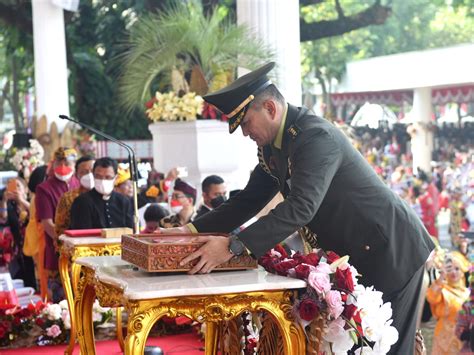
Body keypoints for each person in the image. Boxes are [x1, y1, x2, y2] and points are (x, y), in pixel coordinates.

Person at [161, 62, 435, 354]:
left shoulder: (314, 137)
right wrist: (190, 229)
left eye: (245, 123)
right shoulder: (274, 145)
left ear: (270, 108)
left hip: (392, 251)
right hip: (357, 253)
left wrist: (233, 246)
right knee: (356, 347)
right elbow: (249, 200)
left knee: (387, 348)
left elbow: (301, 207)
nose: (244, 133)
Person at [35, 147, 79, 302]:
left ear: (74, 165)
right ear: (53, 164)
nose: (62, 164)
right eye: (59, 161)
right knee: (63, 303)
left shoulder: (78, 184)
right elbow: (47, 224)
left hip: (82, 252)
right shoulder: (44, 189)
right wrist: (67, 243)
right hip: (58, 252)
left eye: (67, 161)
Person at [70, 157, 133, 230]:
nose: (103, 180)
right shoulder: (82, 201)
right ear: (93, 176)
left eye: (108, 177)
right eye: (98, 176)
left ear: (115, 178)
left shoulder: (123, 201)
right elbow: (80, 233)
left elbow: (129, 231)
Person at [426, 252, 470, 354]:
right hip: (444, 341)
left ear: (463, 271)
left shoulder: (468, 293)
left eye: (457, 269)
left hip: (464, 339)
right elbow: (431, 297)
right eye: (450, 269)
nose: (453, 272)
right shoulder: (442, 289)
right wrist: (441, 277)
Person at [54, 155, 95, 241]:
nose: (90, 175)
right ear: (76, 175)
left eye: (92, 171)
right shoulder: (68, 198)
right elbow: (60, 228)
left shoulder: (106, 196)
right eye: (84, 172)